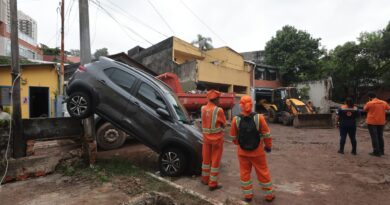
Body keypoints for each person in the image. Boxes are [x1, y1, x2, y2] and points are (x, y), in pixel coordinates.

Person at [229, 96, 275, 202]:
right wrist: (268, 146)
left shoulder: (236, 119)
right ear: (252, 104)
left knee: (245, 173)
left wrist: (240, 144)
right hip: (258, 152)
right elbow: (267, 135)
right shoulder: (259, 118)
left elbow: (233, 137)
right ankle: (269, 195)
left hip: (242, 153)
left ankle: (248, 196)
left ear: (241, 106)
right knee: (263, 172)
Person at [200, 89, 226, 191]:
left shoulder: (202, 108)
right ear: (215, 99)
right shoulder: (218, 110)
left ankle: (205, 179)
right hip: (216, 140)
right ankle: (212, 184)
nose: (219, 101)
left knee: (205, 160)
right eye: (218, 99)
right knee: (215, 162)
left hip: (206, 139)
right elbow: (223, 125)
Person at [364, 92, 390, 156]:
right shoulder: (384, 102)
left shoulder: (369, 103)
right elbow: (388, 108)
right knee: (380, 136)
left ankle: (376, 152)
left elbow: (365, 109)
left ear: (369, 97)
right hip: (381, 122)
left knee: (374, 137)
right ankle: (382, 151)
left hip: (372, 122)